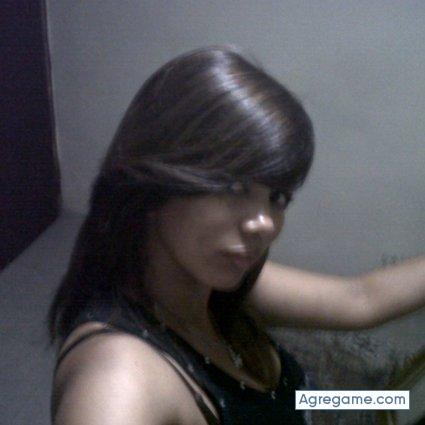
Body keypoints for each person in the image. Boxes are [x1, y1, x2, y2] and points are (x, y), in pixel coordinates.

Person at [48, 46, 425, 425]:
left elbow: (359, 299)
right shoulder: (119, 379)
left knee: (401, 401)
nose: (266, 223)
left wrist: (380, 401)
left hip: (308, 402)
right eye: (233, 186)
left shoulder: (215, 284)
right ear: (151, 181)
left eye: (278, 197)